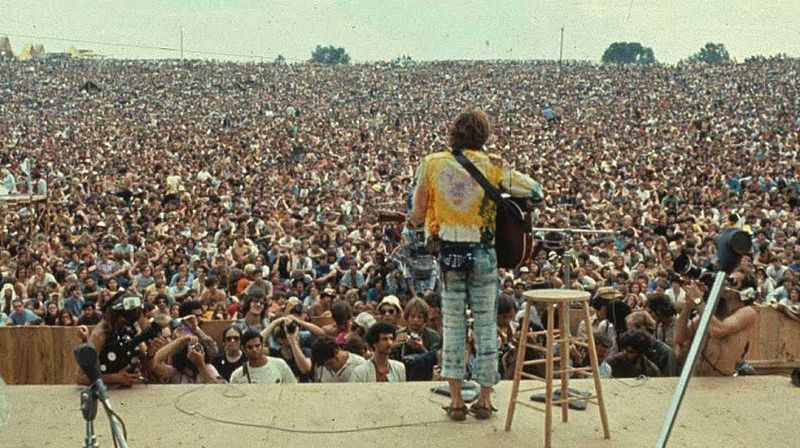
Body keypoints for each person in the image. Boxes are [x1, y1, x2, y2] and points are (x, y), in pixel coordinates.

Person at [406, 108, 543, 421]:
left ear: (453, 132)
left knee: (453, 327)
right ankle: (484, 399)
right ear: (484, 135)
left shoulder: (432, 163)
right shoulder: (492, 165)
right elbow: (536, 193)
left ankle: (456, 401)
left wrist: (416, 223)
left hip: (449, 255)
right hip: (483, 254)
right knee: (485, 326)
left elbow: (417, 212)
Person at [674, 281, 757, 376]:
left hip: (721, 379)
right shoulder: (709, 316)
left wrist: (698, 300)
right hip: (697, 378)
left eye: (733, 282)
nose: (726, 285)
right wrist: (688, 305)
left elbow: (717, 330)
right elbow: (679, 339)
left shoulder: (748, 312)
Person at [229, 330, 297, 384]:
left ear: (262, 345)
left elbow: (294, 388)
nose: (254, 350)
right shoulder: (237, 375)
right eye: (250, 347)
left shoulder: (280, 364)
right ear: (243, 349)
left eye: (257, 346)